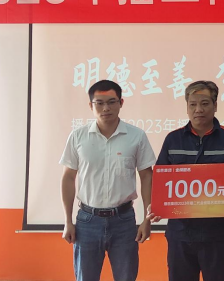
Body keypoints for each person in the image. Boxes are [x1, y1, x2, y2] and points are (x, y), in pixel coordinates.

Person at [149, 80, 224, 281]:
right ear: (187, 107)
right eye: (193, 104)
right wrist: (157, 205)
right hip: (180, 234)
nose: (198, 109)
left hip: (218, 233)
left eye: (205, 103)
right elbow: (161, 181)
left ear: (215, 105)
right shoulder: (173, 139)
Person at [60, 79, 156, 281]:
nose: (106, 108)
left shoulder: (136, 136)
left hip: (124, 221)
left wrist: (147, 220)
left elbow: (147, 176)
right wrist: (67, 221)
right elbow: (68, 177)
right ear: (91, 105)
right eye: (100, 103)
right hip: (87, 221)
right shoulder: (78, 137)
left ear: (121, 103)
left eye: (112, 102)